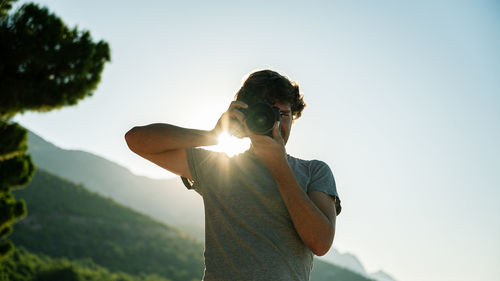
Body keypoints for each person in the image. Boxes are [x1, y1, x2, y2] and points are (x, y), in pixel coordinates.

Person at [125, 69, 341, 281]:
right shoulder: (217, 168)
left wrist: (279, 166)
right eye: (263, 112)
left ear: (293, 118)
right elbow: (136, 139)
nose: (274, 122)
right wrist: (212, 136)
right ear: (246, 115)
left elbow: (320, 242)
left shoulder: (314, 171)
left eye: (283, 114)